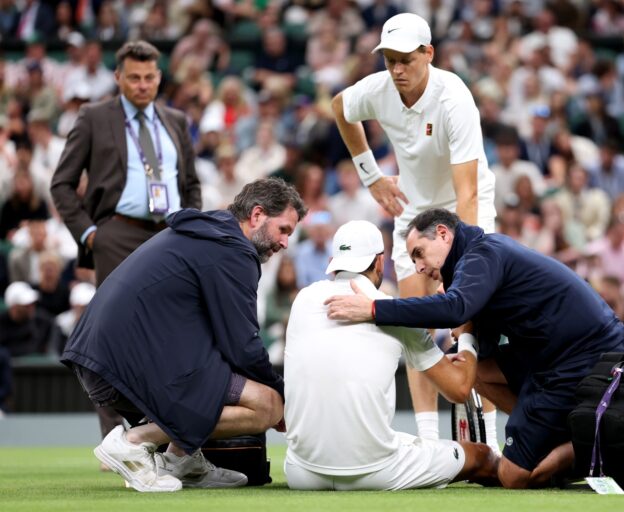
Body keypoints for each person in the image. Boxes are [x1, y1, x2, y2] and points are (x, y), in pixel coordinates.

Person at [325, 208, 624, 489]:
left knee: (512, 476)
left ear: (443, 234)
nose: (419, 268)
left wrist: (375, 309)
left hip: (582, 355)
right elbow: (479, 342)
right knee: (474, 371)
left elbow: (455, 308)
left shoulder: (482, 253)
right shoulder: (475, 259)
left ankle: (589, 442)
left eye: (419, 253)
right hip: (554, 353)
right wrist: (466, 334)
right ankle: (549, 437)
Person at [60, 178, 306, 492]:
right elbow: (243, 346)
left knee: (222, 370)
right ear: (257, 215)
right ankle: (132, 442)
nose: (285, 243)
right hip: (120, 365)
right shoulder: (232, 250)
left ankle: (180, 460)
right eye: (283, 230)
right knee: (268, 405)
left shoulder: (210, 233)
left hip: (99, 359)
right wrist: (283, 395)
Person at [330, 12, 498, 448]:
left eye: (406, 59)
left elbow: (467, 195)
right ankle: (427, 441)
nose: (397, 69)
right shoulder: (379, 88)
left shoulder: (454, 99)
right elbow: (340, 107)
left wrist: (462, 268)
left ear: (429, 54)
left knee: (473, 322)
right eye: (390, 60)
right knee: (415, 325)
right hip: (413, 212)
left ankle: (490, 443)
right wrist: (371, 176)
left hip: (467, 208)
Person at [50, 39, 202, 443]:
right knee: (116, 333)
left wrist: (192, 228)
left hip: (171, 233)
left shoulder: (175, 120)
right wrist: (91, 235)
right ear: (117, 77)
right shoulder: (94, 116)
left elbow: (190, 184)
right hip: (117, 232)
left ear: (159, 77)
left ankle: (163, 432)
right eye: (134, 77)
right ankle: (114, 434)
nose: (142, 85)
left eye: (149, 77)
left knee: (172, 329)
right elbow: (62, 184)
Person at [284, 220, 498, 490]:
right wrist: (467, 333)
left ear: (333, 263)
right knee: (482, 455)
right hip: (376, 472)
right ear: (379, 263)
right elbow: (459, 389)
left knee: (400, 438)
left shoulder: (302, 300)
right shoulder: (394, 312)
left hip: (301, 472)